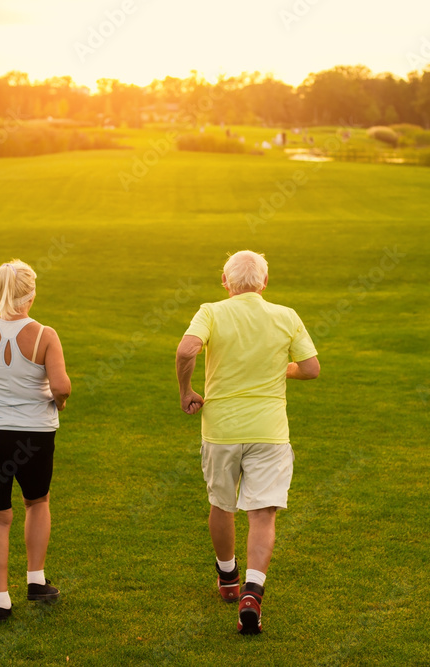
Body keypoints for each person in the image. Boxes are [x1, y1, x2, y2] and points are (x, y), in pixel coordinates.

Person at [175, 250, 320, 635]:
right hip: (269, 432)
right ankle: (252, 592)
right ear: (264, 282)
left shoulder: (211, 311)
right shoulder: (286, 315)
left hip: (220, 429)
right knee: (263, 513)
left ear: (225, 282)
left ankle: (228, 579)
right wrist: (281, 368)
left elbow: (187, 349)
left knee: (221, 505)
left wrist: (185, 389)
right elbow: (311, 368)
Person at [0, 260, 71, 624]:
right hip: (33, 433)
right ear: (31, 294)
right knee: (37, 502)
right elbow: (61, 386)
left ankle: (0, 601)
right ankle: (36, 581)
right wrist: (61, 402)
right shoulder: (45, 334)